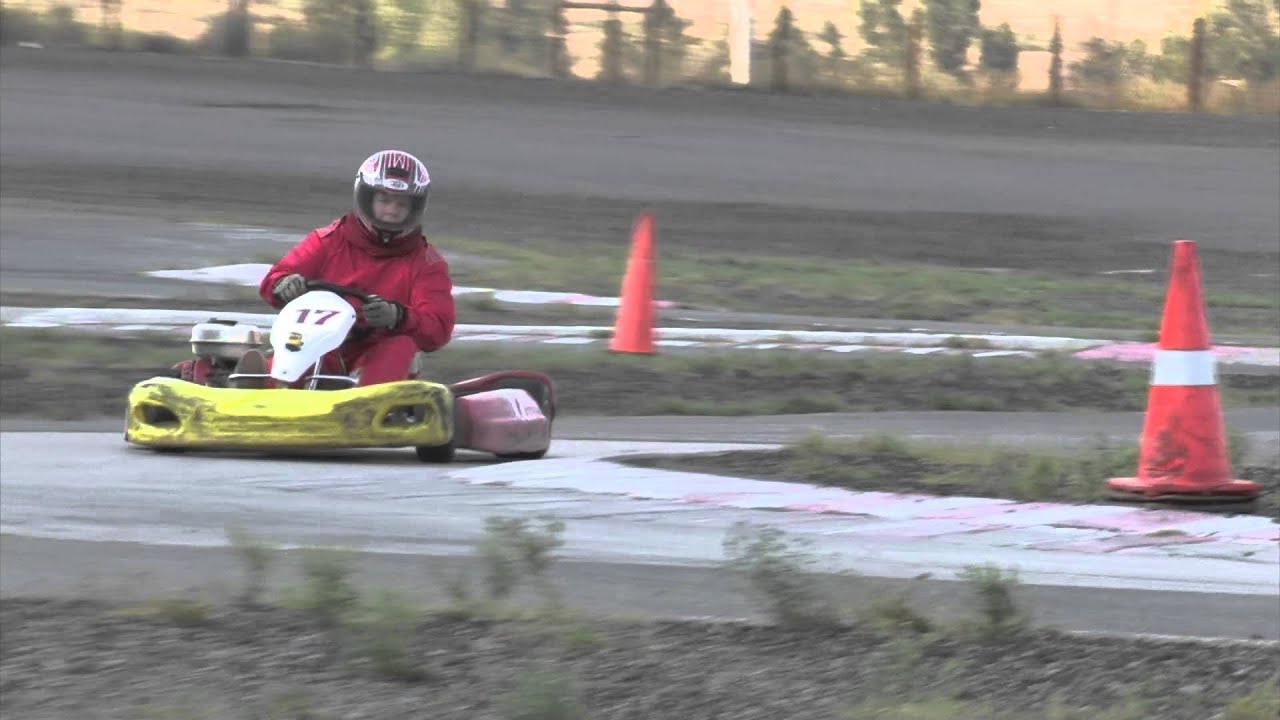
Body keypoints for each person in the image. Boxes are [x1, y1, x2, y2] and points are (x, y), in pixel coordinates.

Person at [236, 149, 456, 388]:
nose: (391, 211)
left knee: (400, 345)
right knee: (302, 341)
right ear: (367, 198)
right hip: (326, 347)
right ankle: (264, 387)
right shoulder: (328, 241)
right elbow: (273, 280)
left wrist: (398, 316)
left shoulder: (427, 263)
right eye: (384, 200)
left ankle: (366, 407)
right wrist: (284, 285)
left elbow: (438, 328)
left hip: (379, 360)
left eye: (401, 203)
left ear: (414, 207)